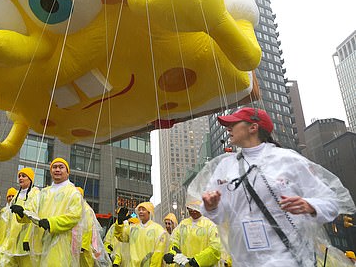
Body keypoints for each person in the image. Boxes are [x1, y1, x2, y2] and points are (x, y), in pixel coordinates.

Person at [187, 107, 356, 267]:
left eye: (234, 123)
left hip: (287, 258)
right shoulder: (226, 166)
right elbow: (218, 216)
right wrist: (211, 206)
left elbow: (331, 202)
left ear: (253, 127)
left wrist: (310, 205)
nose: (228, 128)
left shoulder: (287, 160)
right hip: (244, 261)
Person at [15, 157, 83, 266]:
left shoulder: (73, 193)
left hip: (60, 242)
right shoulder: (44, 192)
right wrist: (21, 212)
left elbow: (74, 216)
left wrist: (51, 223)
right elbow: (32, 211)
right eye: (54, 167)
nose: (57, 170)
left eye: (61, 167)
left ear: (67, 172)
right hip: (39, 242)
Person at [1, 167, 40, 267]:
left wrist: (27, 239)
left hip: (26, 240)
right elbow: (8, 221)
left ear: (30, 179)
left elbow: (34, 217)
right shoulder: (15, 197)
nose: (20, 178)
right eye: (19, 176)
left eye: (24, 176)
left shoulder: (35, 193)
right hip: (12, 241)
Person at [163, 201, 221, 267]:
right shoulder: (183, 224)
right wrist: (173, 253)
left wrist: (198, 260)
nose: (193, 210)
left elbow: (216, 248)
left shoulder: (210, 225)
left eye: (195, 207)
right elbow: (174, 241)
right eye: (190, 208)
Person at [115, 202, 168, 267]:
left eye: (143, 209)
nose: (140, 212)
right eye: (139, 210)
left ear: (149, 212)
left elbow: (158, 253)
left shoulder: (158, 230)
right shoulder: (133, 228)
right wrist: (119, 223)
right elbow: (121, 237)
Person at [77, 186, 110, 267]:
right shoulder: (74, 208)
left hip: (83, 250)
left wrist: (83, 246)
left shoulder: (86, 210)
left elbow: (87, 228)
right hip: (76, 247)